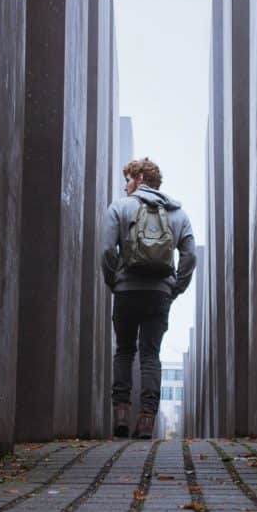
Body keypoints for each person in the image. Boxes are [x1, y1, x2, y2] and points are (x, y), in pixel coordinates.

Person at [101, 157, 196, 439]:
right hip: (159, 293)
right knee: (151, 355)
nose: (125, 185)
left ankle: (120, 413)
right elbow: (190, 255)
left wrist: (114, 281)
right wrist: (175, 287)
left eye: (128, 179)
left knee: (125, 350)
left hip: (127, 290)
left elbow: (107, 250)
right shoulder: (178, 213)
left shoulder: (120, 206)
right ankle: (145, 421)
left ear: (140, 178)